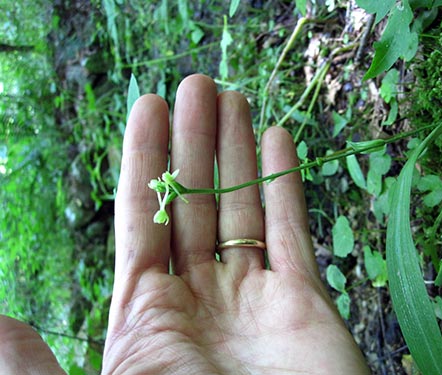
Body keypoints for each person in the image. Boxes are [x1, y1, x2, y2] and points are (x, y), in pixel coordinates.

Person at [0, 74, 370, 374]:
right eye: (163, 190)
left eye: (163, 189)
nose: (161, 192)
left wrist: (168, 189)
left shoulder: (169, 194)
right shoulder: (165, 199)